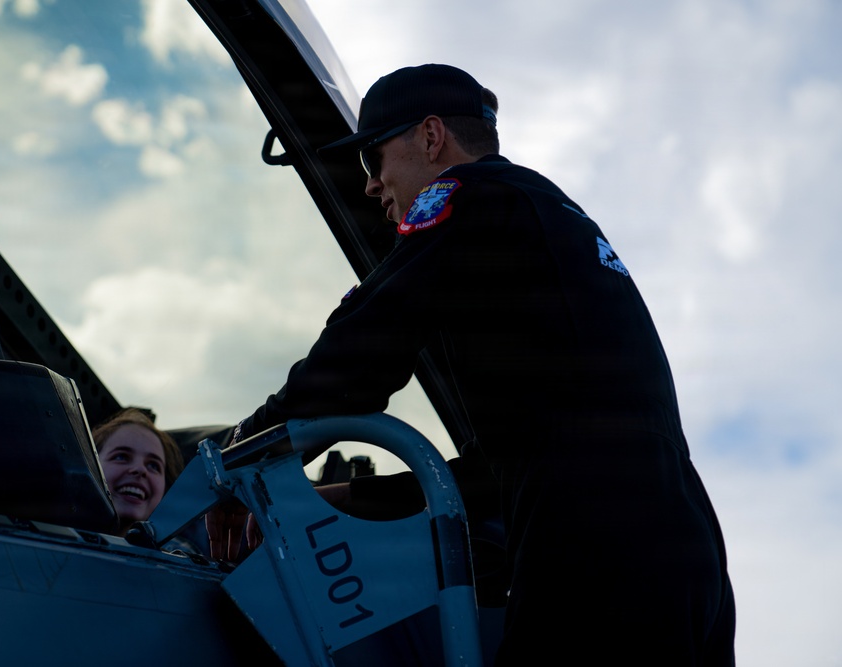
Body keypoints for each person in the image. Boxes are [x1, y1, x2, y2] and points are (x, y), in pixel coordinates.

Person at [209, 63, 735, 665]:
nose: (371, 186)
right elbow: (497, 475)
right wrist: (346, 497)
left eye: (373, 159)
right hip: (683, 553)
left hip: (594, 545)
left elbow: (363, 350)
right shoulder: (538, 220)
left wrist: (240, 460)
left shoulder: (472, 198)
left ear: (431, 137)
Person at [91, 408, 185, 539]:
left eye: (153, 465)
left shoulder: (180, 551)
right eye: (121, 457)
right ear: (89, 463)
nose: (140, 469)